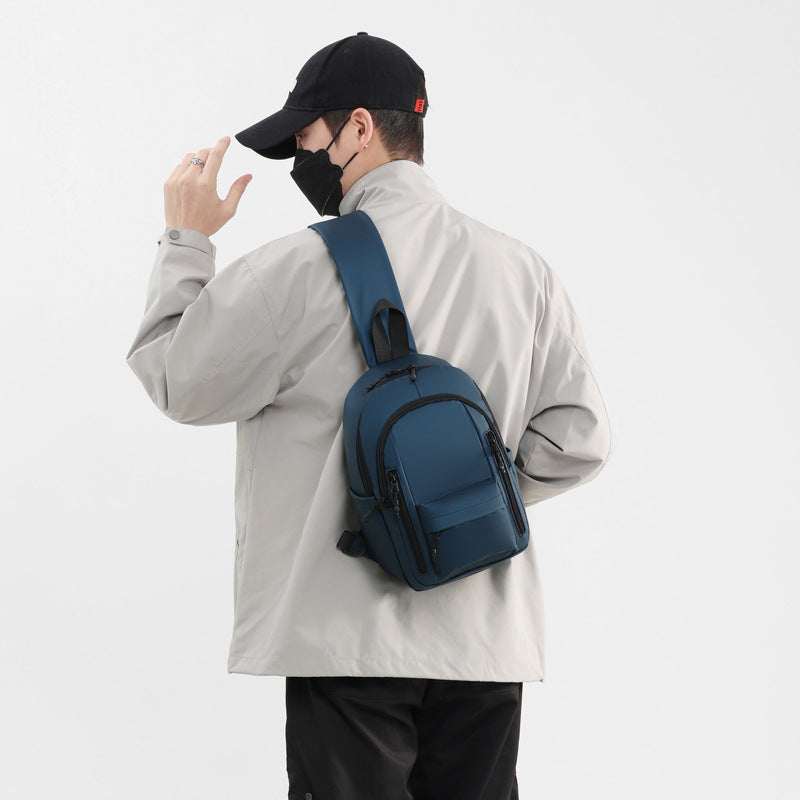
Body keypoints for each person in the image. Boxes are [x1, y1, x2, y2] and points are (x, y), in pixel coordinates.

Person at [125, 31, 614, 800]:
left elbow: (178, 380)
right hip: (485, 645)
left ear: (358, 128)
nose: (298, 159)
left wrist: (186, 238)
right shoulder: (522, 271)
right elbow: (580, 438)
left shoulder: (296, 268)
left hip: (347, 644)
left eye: (304, 137)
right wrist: (462, 504)